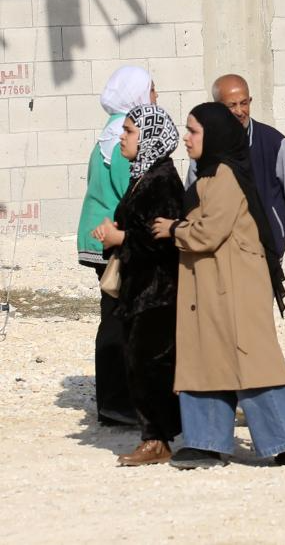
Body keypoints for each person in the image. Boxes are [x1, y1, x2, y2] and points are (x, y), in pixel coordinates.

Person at [151, 103, 285, 468]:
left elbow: (210, 232)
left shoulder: (224, 175)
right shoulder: (209, 174)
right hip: (214, 287)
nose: (187, 137)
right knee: (205, 360)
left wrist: (174, 229)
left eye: (193, 131)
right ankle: (206, 442)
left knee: (252, 363)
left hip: (234, 289)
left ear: (213, 135)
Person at [92, 104, 183, 465]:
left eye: (130, 131)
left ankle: (157, 439)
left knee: (150, 364)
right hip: (140, 288)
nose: (123, 137)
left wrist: (120, 238)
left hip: (157, 292)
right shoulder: (143, 175)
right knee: (138, 361)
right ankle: (155, 436)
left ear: (148, 137)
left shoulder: (161, 181)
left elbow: (161, 239)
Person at [75, 65, 157, 426]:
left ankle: (117, 400)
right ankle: (116, 401)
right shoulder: (126, 134)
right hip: (110, 238)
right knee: (117, 317)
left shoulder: (110, 131)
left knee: (117, 314)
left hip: (103, 235)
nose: (157, 98)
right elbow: (131, 194)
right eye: (153, 91)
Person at [186, 74, 285, 267]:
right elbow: (192, 198)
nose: (240, 111)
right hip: (220, 252)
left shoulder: (273, 142)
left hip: (265, 249)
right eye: (231, 106)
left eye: (244, 103)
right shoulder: (204, 148)